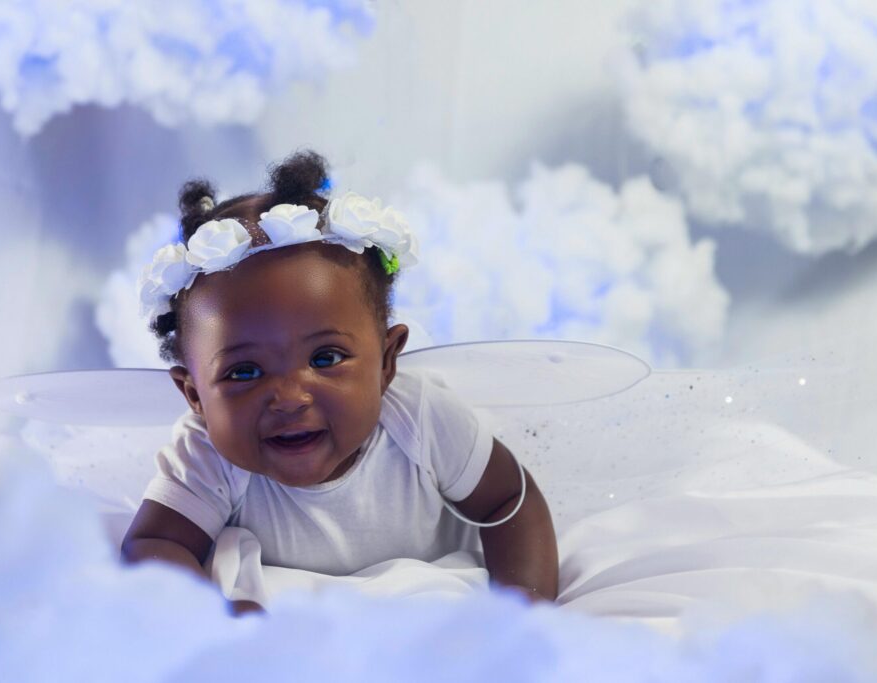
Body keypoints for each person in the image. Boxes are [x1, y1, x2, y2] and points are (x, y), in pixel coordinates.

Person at [121, 151, 558, 614]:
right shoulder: (208, 454)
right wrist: (221, 621)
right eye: (244, 372)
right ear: (194, 395)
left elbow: (509, 500)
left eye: (325, 358)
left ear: (386, 362)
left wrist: (523, 616)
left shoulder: (420, 419)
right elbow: (154, 544)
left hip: (431, 607)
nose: (290, 398)